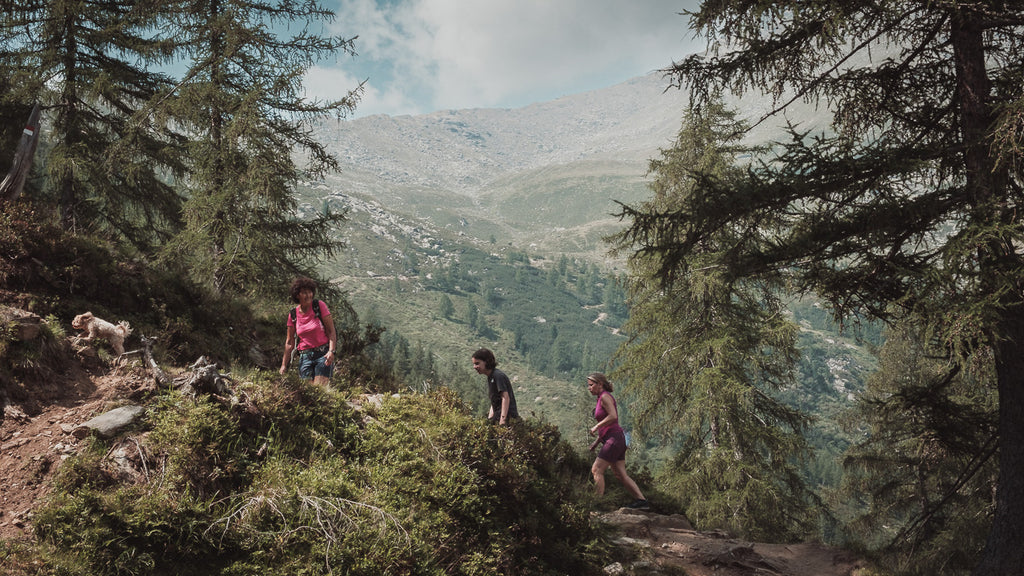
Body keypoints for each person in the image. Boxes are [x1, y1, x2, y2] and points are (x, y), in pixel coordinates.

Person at [587, 372, 649, 509]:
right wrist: (596, 442)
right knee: (620, 474)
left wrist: (596, 426)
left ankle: (597, 504)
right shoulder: (600, 398)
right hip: (617, 439)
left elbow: (613, 417)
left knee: (597, 469)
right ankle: (642, 501)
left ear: (600, 384)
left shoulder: (604, 397)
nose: (589, 388)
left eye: (591, 385)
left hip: (614, 439)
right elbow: (608, 426)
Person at [279, 277, 337, 388]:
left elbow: (331, 331)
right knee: (307, 393)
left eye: (310, 292)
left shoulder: (319, 306)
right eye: (304, 293)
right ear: (297, 295)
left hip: (322, 355)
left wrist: (331, 351)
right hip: (305, 357)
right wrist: (283, 365)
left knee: (320, 391)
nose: (308, 295)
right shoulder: (293, 314)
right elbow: (289, 342)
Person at [471, 348, 519, 425]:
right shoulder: (491, 377)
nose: (474, 367)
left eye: (477, 363)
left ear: (486, 362)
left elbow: (505, 397)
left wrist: (502, 421)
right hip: (498, 417)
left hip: (509, 419)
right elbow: (494, 401)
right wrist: (490, 419)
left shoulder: (498, 375)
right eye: (474, 364)